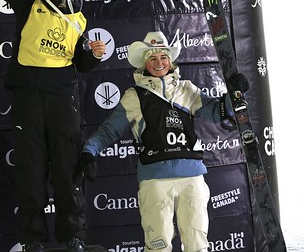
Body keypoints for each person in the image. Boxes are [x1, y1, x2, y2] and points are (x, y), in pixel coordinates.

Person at [0, 0, 106, 252]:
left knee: (68, 170)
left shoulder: (80, 17)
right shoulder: (26, 6)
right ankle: (32, 241)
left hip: (60, 100)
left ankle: (74, 239)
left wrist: (94, 56)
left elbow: (79, 63)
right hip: (27, 99)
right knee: (30, 171)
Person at [77, 31, 248, 252]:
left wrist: (233, 93)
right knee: (158, 246)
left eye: (164, 57)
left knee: (197, 245)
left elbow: (218, 112)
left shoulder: (188, 89)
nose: (159, 63)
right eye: (152, 58)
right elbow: (109, 130)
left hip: (192, 177)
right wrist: (89, 151)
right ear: (144, 63)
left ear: (171, 60)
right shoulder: (134, 95)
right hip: (155, 180)